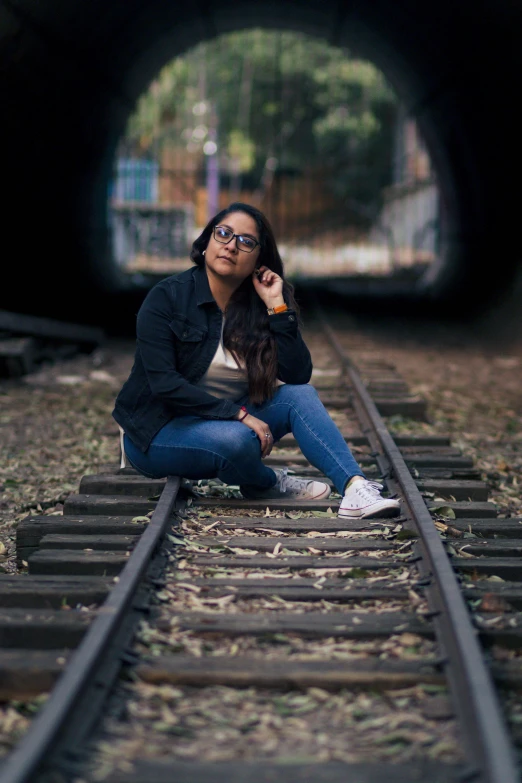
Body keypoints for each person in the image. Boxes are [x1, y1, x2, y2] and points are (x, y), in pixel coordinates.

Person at [112, 202, 401, 520]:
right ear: (207, 240)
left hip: (222, 424)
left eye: (246, 241)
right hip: (156, 432)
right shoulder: (167, 297)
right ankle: (269, 481)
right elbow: (164, 384)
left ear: (258, 259)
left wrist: (277, 306)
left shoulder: (259, 304)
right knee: (238, 441)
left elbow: (298, 374)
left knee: (299, 397)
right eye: (223, 233)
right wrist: (238, 414)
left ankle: (355, 487)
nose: (231, 245)